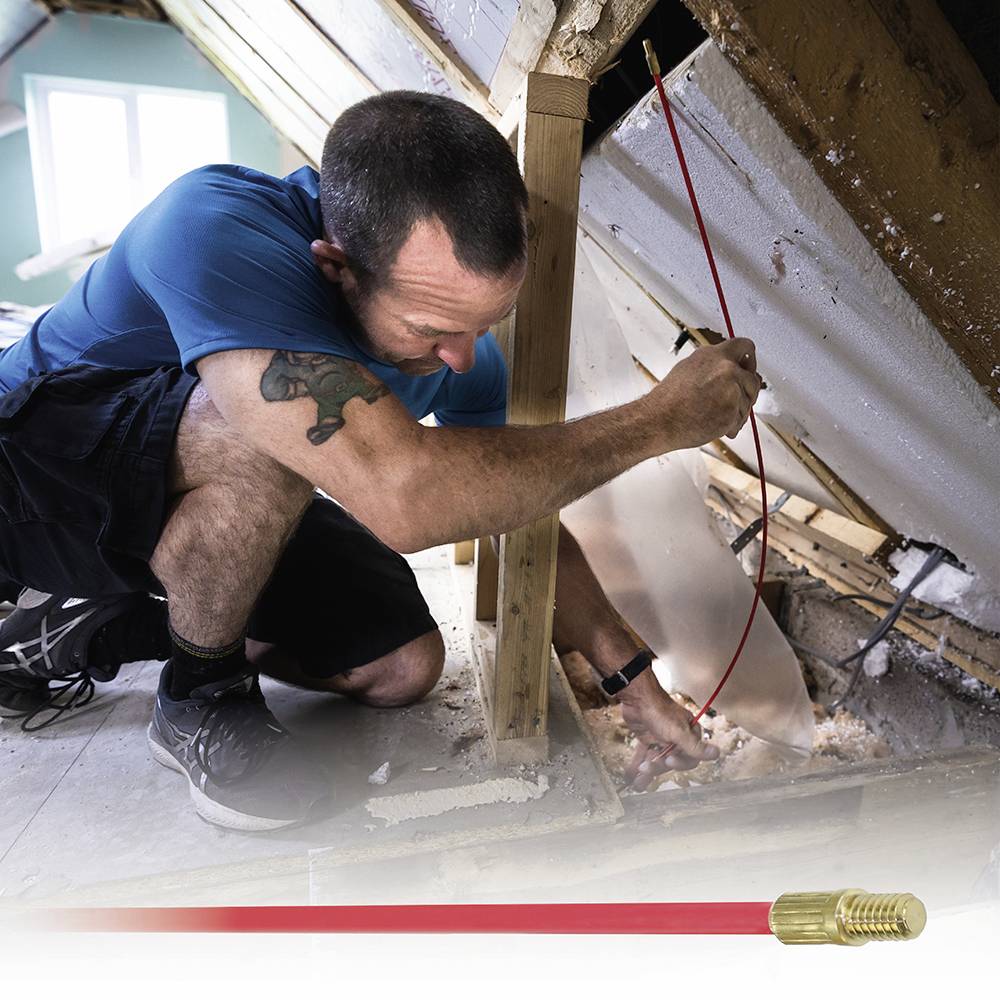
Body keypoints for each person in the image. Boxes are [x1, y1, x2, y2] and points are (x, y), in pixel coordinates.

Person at [0, 91, 761, 831]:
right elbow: (406, 500)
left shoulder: (457, 351)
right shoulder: (211, 227)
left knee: (402, 667)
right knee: (268, 425)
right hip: (35, 477)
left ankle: (102, 625)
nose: (460, 359)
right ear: (336, 265)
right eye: (433, 327)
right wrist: (660, 421)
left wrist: (629, 673)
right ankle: (199, 691)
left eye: (483, 325)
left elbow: (514, 506)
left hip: (187, 499)